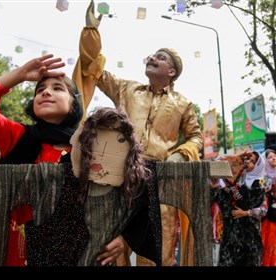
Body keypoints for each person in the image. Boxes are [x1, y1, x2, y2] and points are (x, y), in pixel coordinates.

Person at [72, 0, 203, 266]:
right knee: (111, 252)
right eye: (153, 55)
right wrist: (90, 33)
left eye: (161, 57)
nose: (153, 58)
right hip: (119, 178)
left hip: (159, 182)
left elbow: (196, 137)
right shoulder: (127, 89)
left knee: (155, 253)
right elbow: (93, 69)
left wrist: (181, 153)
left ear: (172, 72)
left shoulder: (183, 103)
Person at [0, 54, 124, 266]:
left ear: (74, 103)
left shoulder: (92, 146)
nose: (46, 92)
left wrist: (123, 236)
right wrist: (20, 75)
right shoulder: (17, 137)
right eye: (40, 90)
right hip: (19, 249)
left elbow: (118, 199)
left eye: (58, 88)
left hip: (77, 249)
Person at [211, 150, 269, 266]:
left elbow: (263, 209)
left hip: (249, 237)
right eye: (247, 158)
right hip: (230, 236)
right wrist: (237, 156)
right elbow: (215, 167)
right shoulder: (233, 179)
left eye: (252, 161)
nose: (247, 162)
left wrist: (246, 213)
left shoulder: (260, 184)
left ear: (258, 166)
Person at [260, 149, 276, 266]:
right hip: (268, 215)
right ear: (265, 160)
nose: (274, 158)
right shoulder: (262, 176)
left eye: (275, 156)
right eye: (270, 157)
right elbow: (262, 192)